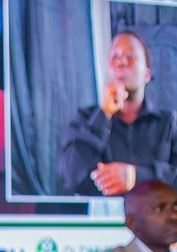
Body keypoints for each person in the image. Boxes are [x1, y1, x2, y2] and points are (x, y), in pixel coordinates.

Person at [59, 31, 177, 198]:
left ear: (147, 74)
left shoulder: (168, 122)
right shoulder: (85, 119)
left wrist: (137, 176)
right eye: (114, 57)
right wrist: (103, 114)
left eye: (130, 57)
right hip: (104, 215)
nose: (121, 62)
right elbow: (71, 176)